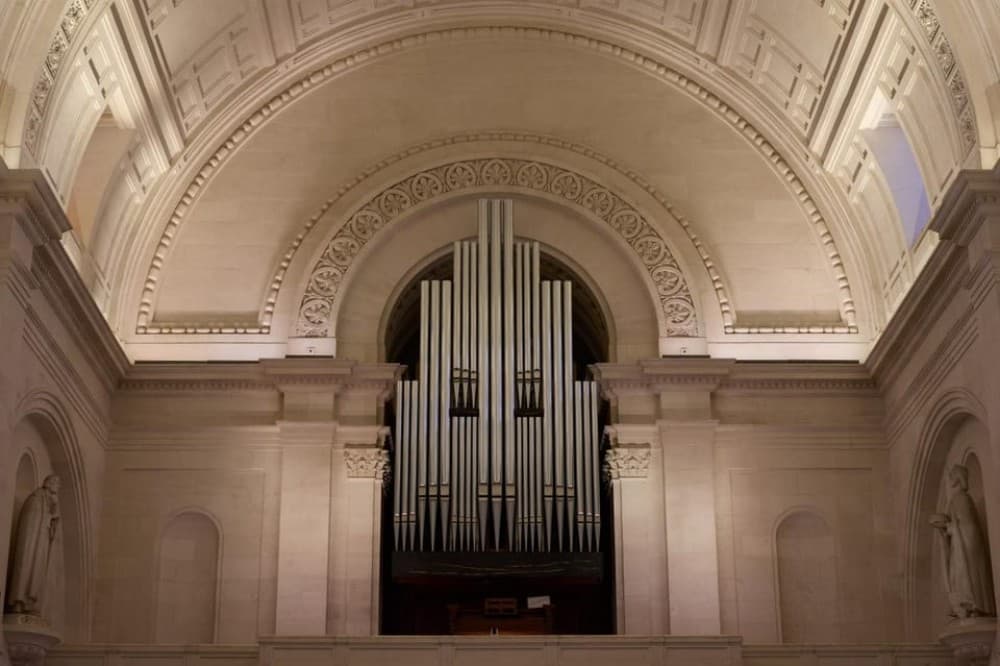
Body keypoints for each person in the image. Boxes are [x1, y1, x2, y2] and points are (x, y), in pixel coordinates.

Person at [930, 465, 996, 619]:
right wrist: (945, 528)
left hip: (966, 547)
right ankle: (965, 605)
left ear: (958, 478)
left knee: (965, 574)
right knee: (960, 575)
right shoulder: (957, 499)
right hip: (962, 546)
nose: (950, 478)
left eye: (953, 475)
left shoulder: (960, 499)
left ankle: (972, 604)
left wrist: (946, 525)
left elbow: (968, 526)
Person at [5, 474, 60, 615]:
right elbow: (30, 524)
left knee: (37, 572)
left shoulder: (48, 501)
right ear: (49, 483)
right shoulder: (36, 499)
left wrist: (52, 521)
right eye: (57, 483)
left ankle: (29, 603)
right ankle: (18, 601)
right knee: (25, 568)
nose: (58, 487)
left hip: (40, 544)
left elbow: (50, 522)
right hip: (31, 545)